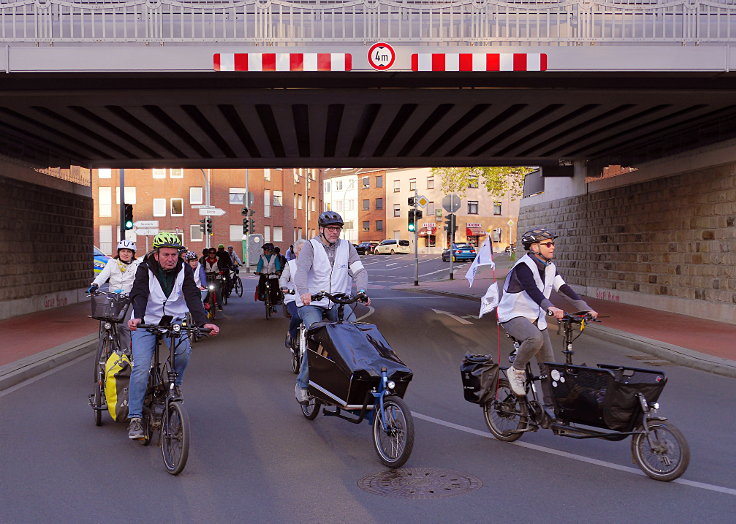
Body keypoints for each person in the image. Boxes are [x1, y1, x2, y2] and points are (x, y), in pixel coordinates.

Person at [126, 232, 219, 440]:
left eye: (174, 255)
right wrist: (138, 317)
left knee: (184, 352)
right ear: (156, 255)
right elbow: (139, 293)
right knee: (141, 367)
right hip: (145, 321)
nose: (170, 259)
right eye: (166, 254)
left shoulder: (184, 269)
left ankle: (174, 385)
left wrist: (203, 322)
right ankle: (135, 419)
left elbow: (192, 295)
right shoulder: (145, 268)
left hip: (172, 321)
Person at [497, 228, 598, 400]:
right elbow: (532, 290)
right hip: (514, 314)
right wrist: (551, 308)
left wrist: (585, 307)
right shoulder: (523, 266)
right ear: (535, 247)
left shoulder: (550, 267)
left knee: (550, 368)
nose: (553, 247)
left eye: (553, 244)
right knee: (535, 338)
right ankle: (516, 369)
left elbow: (564, 288)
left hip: (537, 318)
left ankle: (552, 410)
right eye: (548, 244)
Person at [294, 211, 369, 404]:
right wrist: (304, 292)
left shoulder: (347, 247)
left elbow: (359, 270)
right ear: (321, 229)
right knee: (319, 338)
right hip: (313, 302)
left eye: (337, 229)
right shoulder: (311, 246)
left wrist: (361, 291)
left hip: (337, 301)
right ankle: (302, 384)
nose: (335, 232)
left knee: (355, 333)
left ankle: (355, 380)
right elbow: (301, 271)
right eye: (330, 228)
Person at [86, 240, 140, 353]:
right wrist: (95, 285)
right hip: (113, 298)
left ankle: (126, 352)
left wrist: (135, 292)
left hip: (128, 300)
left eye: (129, 252)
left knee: (123, 327)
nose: (125, 254)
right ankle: (104, 347)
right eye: (123, 251)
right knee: (104, 323)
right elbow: (103, 276)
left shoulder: (136, 265)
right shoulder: (112, 263)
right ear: (119, 252)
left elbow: (138, 281)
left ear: (133, 254)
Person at [279, 239, 306, 350]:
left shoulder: (315, 264)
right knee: (297, 315)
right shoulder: (290, 264)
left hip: (309, 297)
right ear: (296, 253)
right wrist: (283, 286)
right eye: (301, 249)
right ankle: (291, 333)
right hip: (293, 297)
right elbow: (284, 278)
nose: (304, 251)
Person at [256, 243, 282, 309]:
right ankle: (262, 295)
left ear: (270, 250)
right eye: (264, 250)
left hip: (273, 274)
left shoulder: (275, 257)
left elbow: (277, 264)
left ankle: (274, 303)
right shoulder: (262, 257)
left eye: (265, 250)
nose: (264, 251)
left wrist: (278, 271)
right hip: (264, 274)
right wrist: (258, 271)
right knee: (261, 284)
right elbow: (260, 264)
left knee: (274, 288)